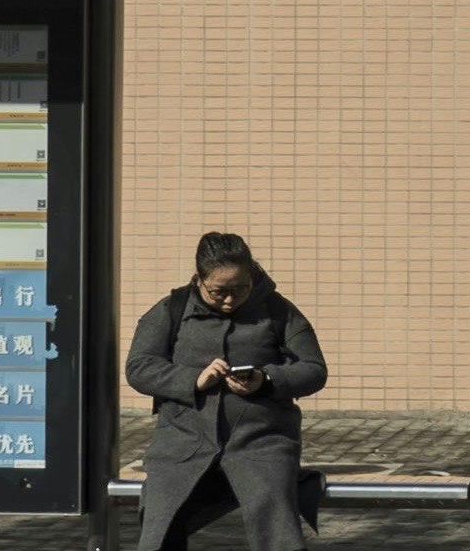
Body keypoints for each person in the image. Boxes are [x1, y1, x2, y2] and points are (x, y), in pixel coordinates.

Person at [124, 232, 328, 551]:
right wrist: (193, 379)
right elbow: (139, 367)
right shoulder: (171, 309)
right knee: (160, 527)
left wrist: (267, 379)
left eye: (240, 289)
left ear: (252, 276)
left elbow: (314, 369)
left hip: (262, 442)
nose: (230, 300)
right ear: (199, 280)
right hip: (182, 443)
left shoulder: (278, 310)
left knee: (277, 528)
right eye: (219, 292)